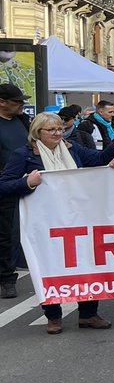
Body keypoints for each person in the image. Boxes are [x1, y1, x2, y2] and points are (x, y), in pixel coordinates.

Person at [0, 112, 114, 333]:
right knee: (49, 267)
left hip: (77, 219)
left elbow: (97, 160)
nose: (58, 133)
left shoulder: (72, 149)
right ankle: (53, 316)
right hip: (44, 225)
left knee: (85, 265)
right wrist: (27, 182)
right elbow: (4, 187)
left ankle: (88, 314)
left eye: (59, 129)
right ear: (37, 133)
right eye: (51, 130)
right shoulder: (23, 155)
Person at [0, 83, 32, 298]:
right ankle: (6, 278)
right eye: (17, 101)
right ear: (2, 102)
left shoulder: (22, 120)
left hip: (24, 185)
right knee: (4, 234)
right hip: (4, 185)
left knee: (16, 232)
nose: (22, 105)